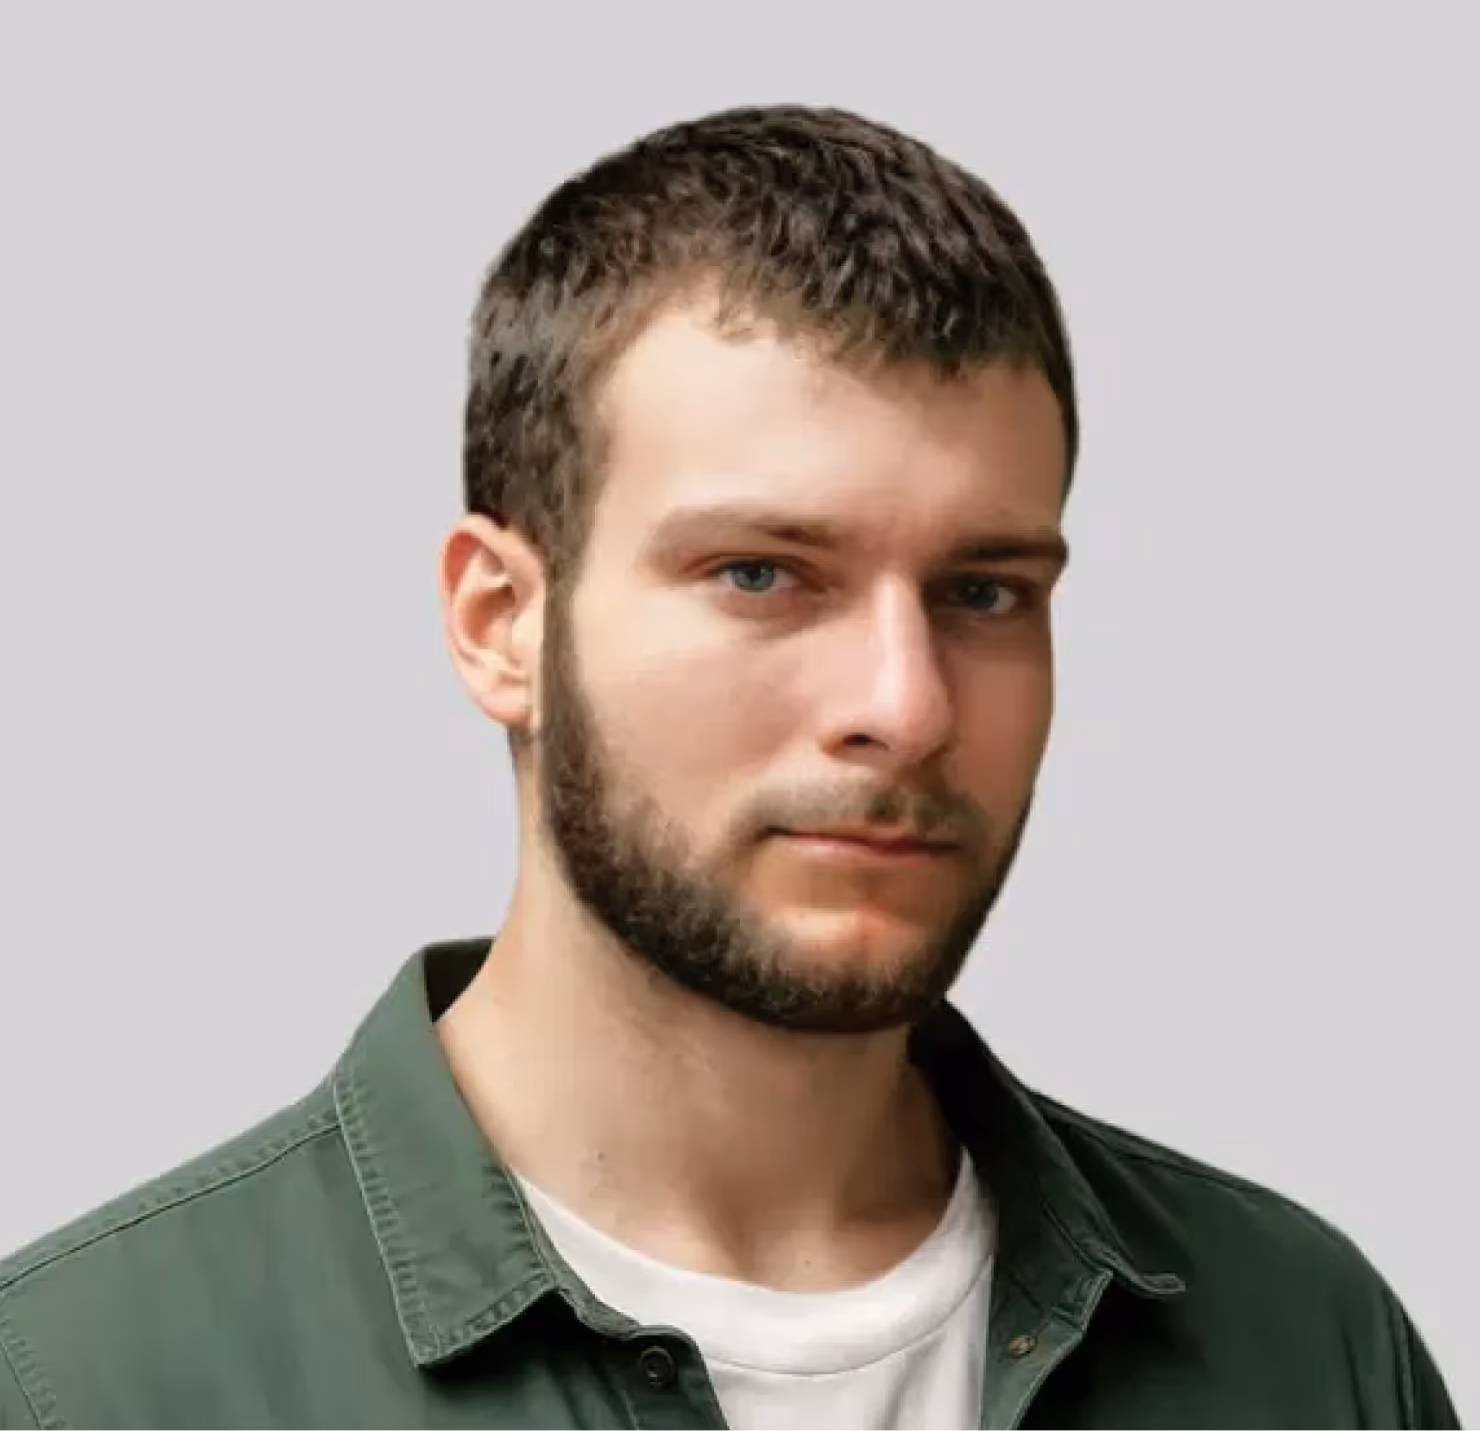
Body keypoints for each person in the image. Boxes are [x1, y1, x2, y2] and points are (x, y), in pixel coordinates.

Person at [0, 104, 1461, 1431]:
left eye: (984, 591)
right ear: (502, 624)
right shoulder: (86, 1384)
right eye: (763, 574)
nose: (908, 706)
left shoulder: (1306, 1347)